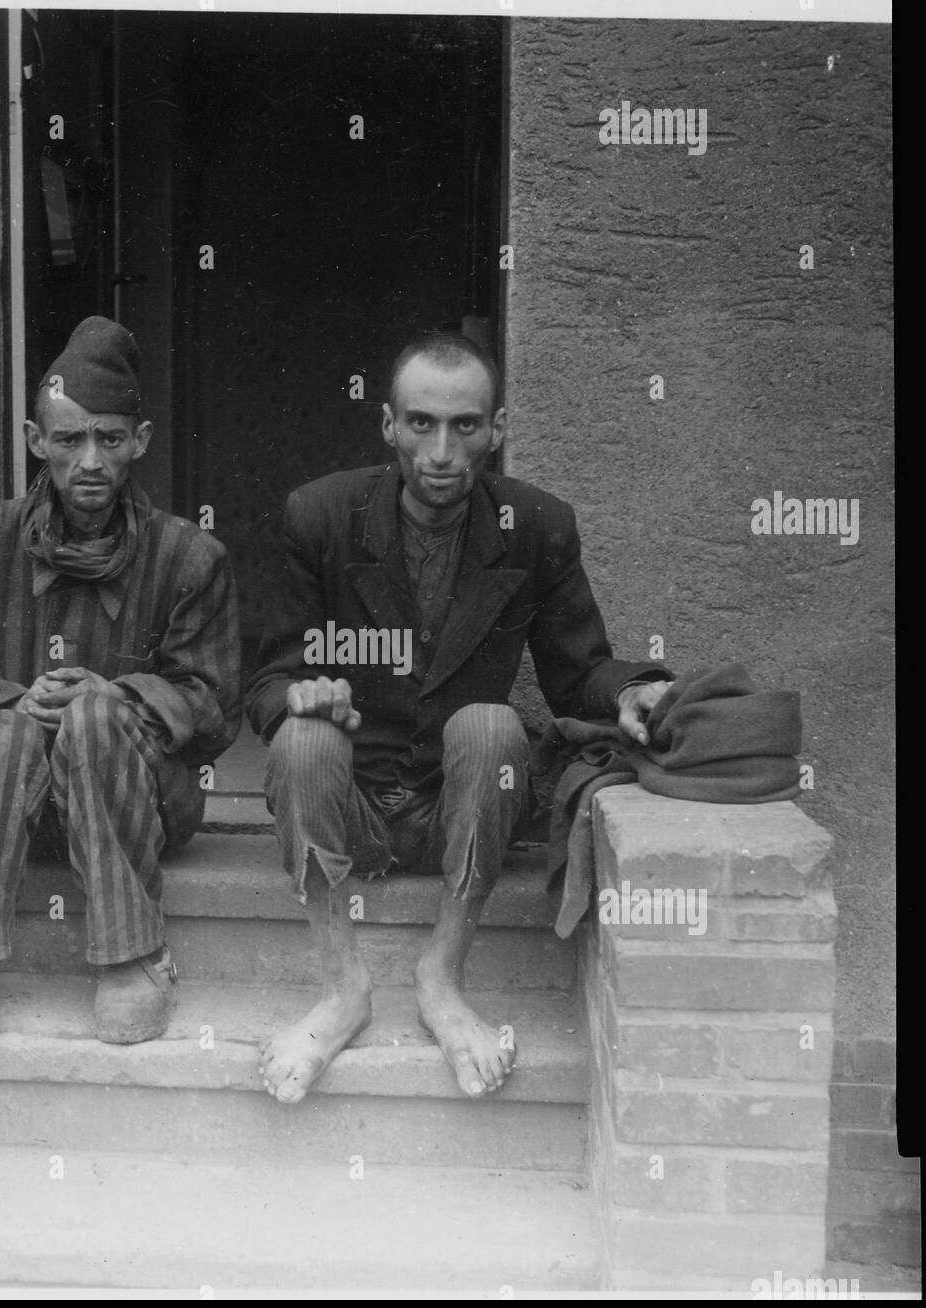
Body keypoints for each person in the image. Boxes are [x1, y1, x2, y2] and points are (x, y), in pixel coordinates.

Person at [246, 333, 671, 1102]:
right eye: (420, 424)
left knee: (488, 722)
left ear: (497, 427)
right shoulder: (321, 517)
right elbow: (268, 678)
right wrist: (297, 696)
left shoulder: (536, 526)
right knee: (301, 737)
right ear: (387, 426)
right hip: (354, 812)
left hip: (457, 807)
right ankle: (343, 988)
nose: (441, 450)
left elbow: (577, 671)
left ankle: (441, 976)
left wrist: (631, 690)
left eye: (464, 426)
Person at [0, 317, 241, 1046]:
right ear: (36, 442)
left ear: (140, 441)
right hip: (4, 804)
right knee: (14, 726)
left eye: (109, 439)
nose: (89, 461)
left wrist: (116, 699)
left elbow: (214, 706)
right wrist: (18, 702)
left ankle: (130, 958)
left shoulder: (189, 557)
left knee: (91, 719)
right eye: (68, 440)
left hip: (134, 807)